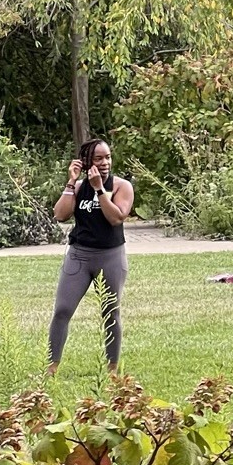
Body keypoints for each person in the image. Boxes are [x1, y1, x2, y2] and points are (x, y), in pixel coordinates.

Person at [49, 138, 134, 374]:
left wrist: (99, 189)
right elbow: (60, 215)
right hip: (79, 256)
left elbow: (116, 217)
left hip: (110, 256)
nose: (105, 162)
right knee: (62, 310)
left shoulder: (121, 186)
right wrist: (71, 181)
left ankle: (112, 369)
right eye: (98, 158)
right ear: (86, 161)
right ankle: (52, 367)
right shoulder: (78, 188)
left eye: (108, 157)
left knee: (110, 312)